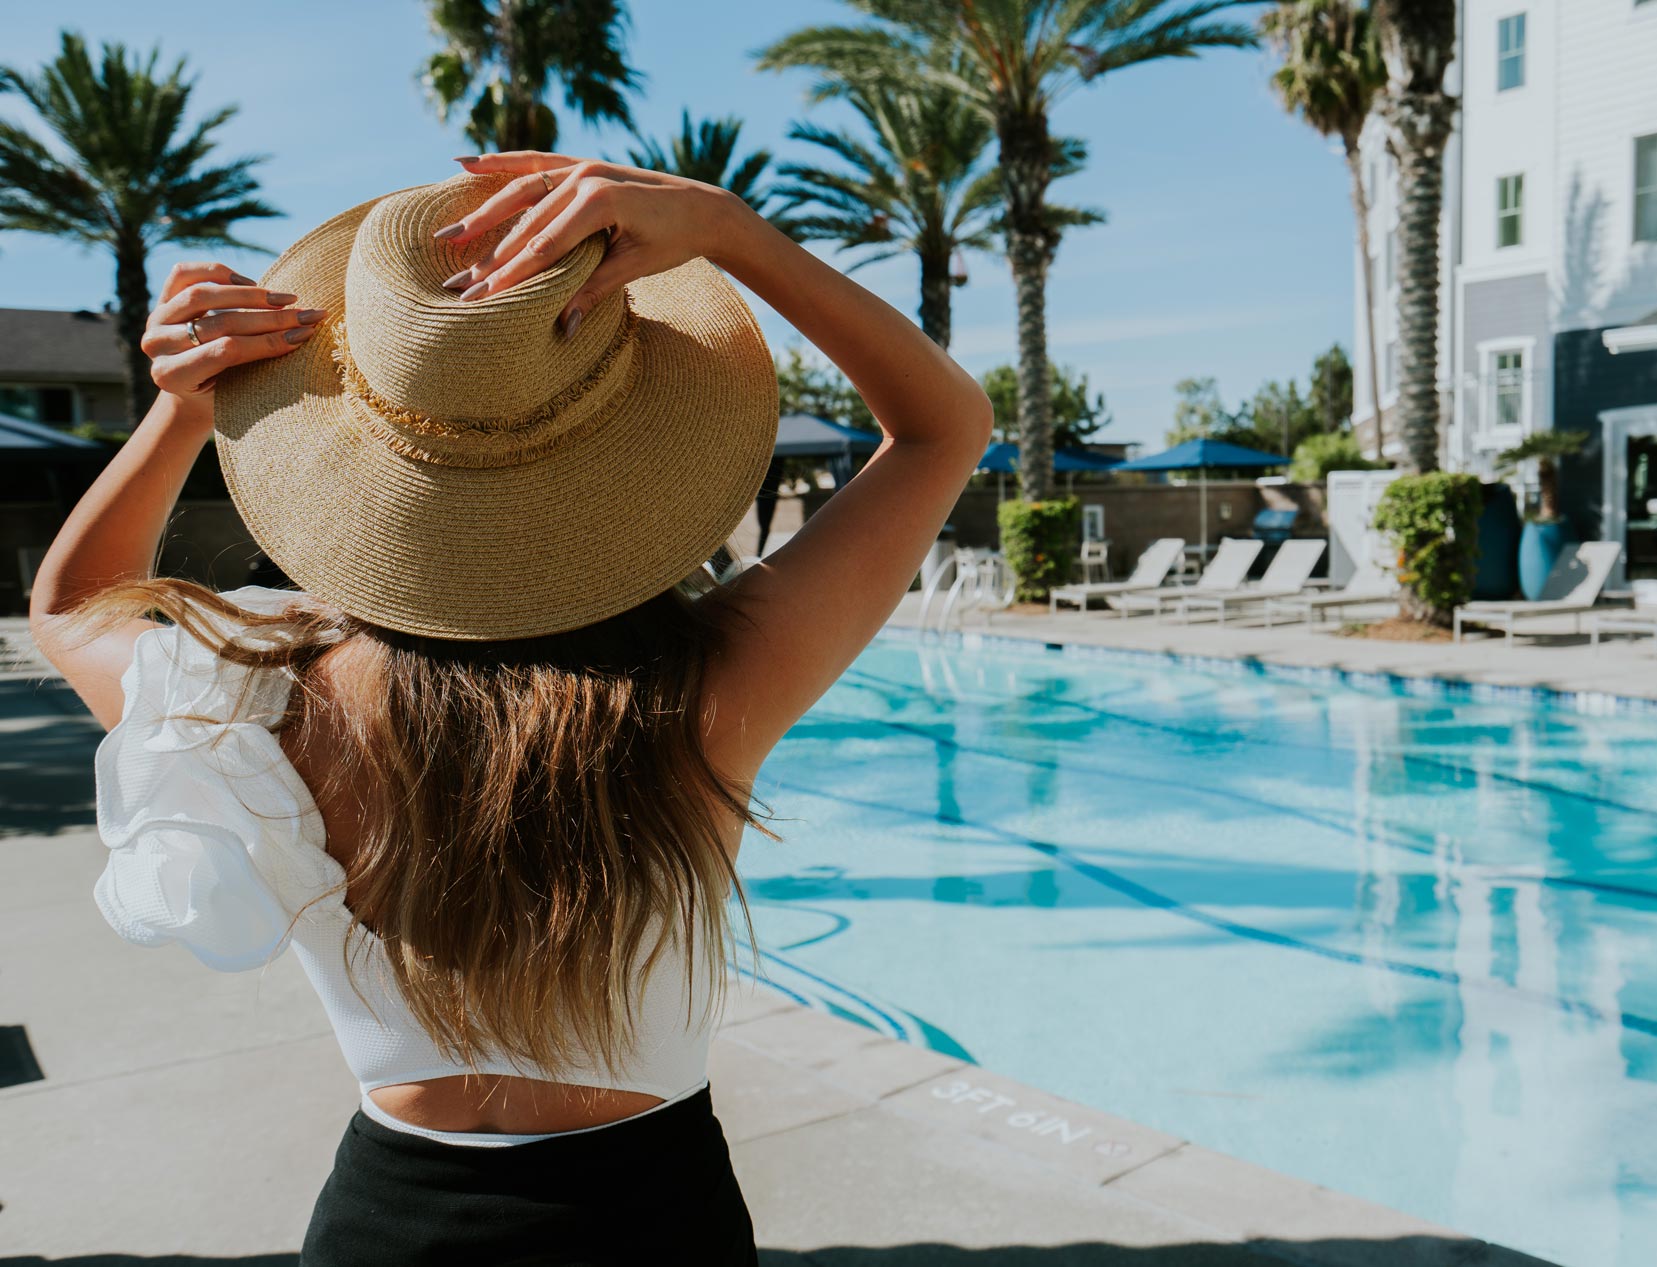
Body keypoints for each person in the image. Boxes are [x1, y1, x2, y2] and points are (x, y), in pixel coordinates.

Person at [29, 152, 992, 1265]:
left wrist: (186, 410)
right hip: (651, 1228)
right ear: (625, 446)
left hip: (382, 1228)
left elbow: (71, 605)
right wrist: (734, 233)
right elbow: (940, 428)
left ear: (364, 455)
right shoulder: (713, 682)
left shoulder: (264, 700)